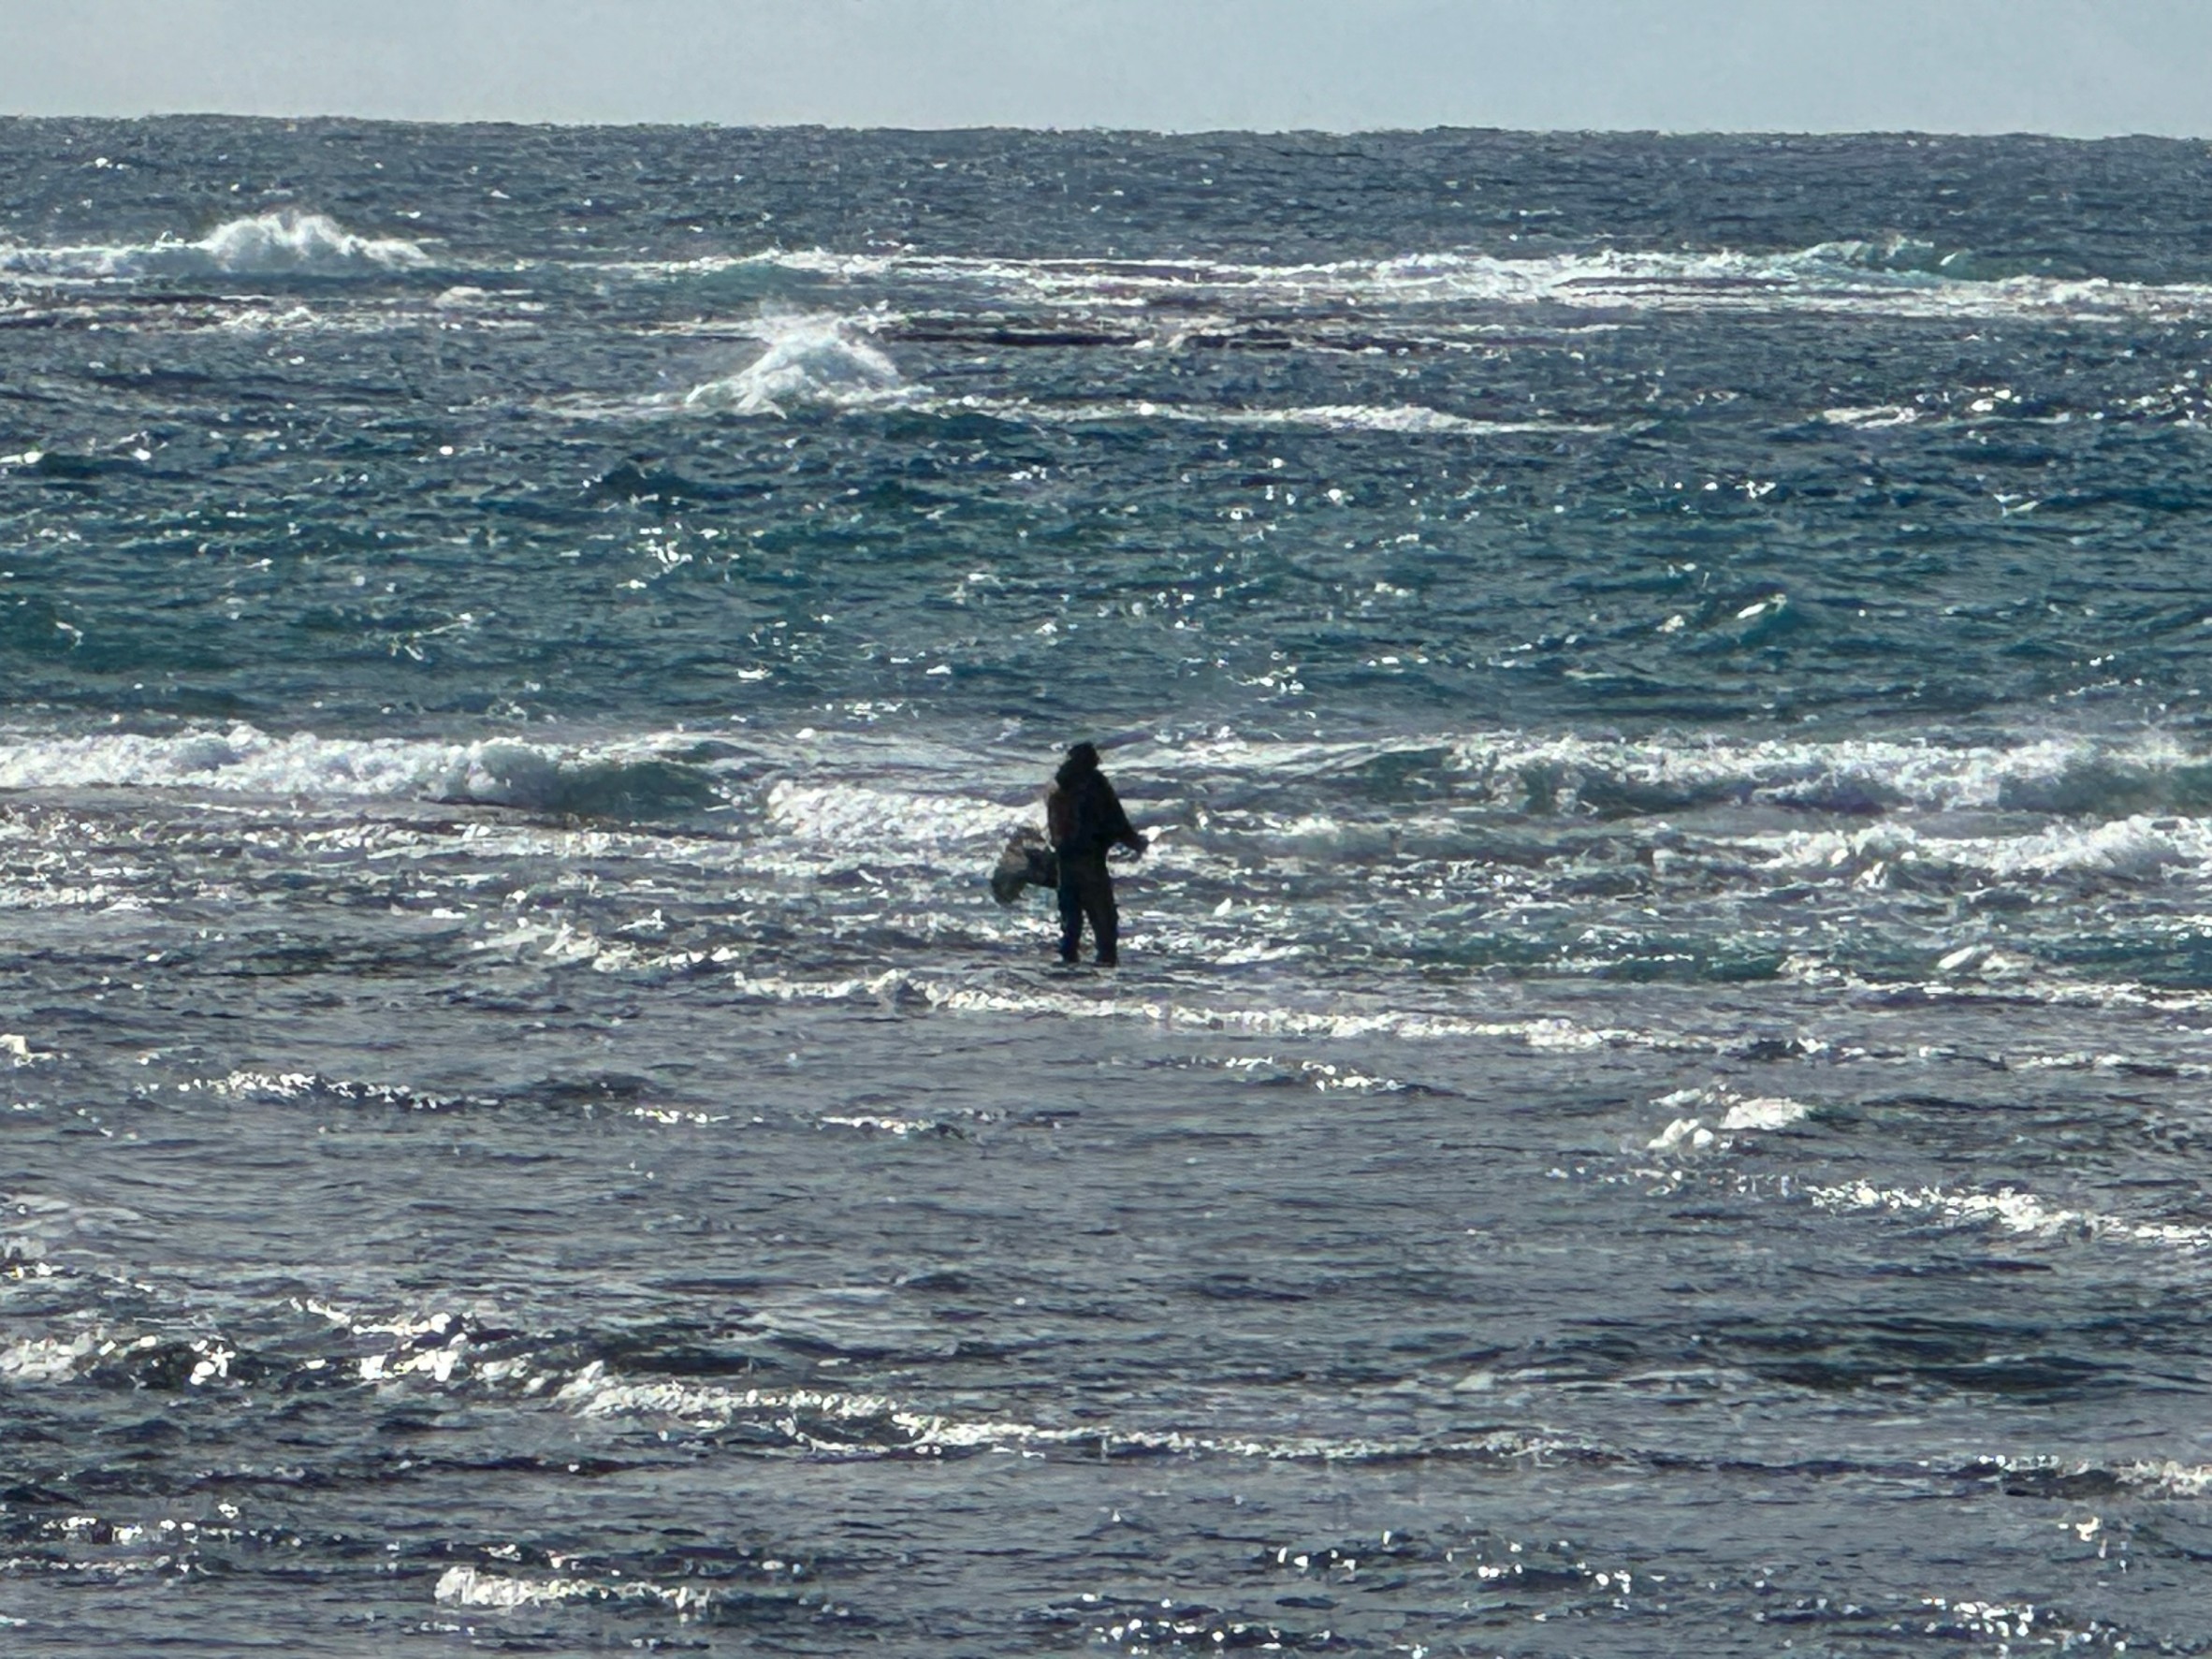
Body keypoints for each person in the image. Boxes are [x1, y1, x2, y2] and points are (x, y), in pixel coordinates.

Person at [1045, 741, 1147, 966]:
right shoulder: (1095, 784)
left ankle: (1068, 961)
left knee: (1071, 917)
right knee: (1103, 916)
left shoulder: (1059, 787)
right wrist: (1136, 842)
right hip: (1091, 859)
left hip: (1065, 859)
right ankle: (1106, 962)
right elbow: (1115, 819)